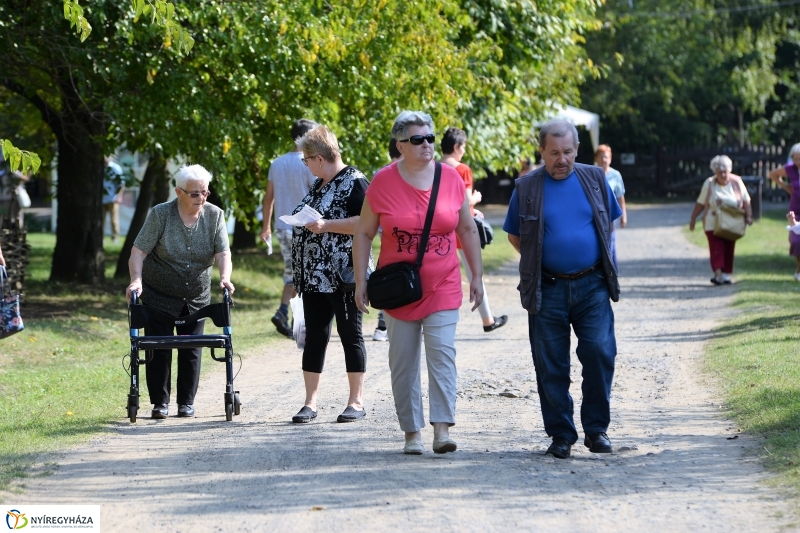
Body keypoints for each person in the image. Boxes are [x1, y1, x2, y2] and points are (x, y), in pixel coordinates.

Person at [353, 111, 484, 455]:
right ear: (400, 145)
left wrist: (477, 276)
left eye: (429, 137)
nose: (427, 144)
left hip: (443, 283)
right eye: (417, 139)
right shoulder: (382, 182)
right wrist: (359, 280)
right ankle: (412, 433)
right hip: (399, 289)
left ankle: (442, 430)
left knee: (442, 354)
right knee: (403, 361)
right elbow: (364, 233)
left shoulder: (451, 178)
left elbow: (467, 229)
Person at [504, 119, 622, 459]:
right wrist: (542, 260)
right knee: (550, 364)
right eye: (553, 153)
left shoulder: (596, 179)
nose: (561, 159)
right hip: (548, 287)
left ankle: (597, 429)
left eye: (568, 152)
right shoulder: (526, 187)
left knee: (600, 352)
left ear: (576, 151)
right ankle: (560, 434)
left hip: (592, 285)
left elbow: (607, 224)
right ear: (541, 151)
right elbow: (515, 236)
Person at [125, 164, 235, 419]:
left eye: (205, 192)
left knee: (191, 349)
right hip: (158, 294)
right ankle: (159, 404)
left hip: (196, 295)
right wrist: (136, 280)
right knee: (158, 348)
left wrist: (225, 278)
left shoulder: (215, 215)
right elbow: (138, 251)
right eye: (195, 193)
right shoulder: (160, 215)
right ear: (179, 192)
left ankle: (186, 402)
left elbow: (222, 252)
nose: (201, 198)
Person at [290, 125, 371, 424]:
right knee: (315, 339)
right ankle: (310, 403)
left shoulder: (355, 182)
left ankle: (356, 402)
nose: (306, 165)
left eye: (306, 160)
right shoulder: (319, 184)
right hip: (314, 278)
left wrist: (326, 225)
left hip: (345, 276)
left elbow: (368, 224)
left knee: (351, 336)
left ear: (319, 158)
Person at [441, 127, 507, 333]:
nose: (464, 150)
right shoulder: (462, 169)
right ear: (456, 147)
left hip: (441, 227)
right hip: (462, 227)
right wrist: (475, 200)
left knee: (440, 277)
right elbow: (465, 199)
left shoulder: (434, 167)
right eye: (464, 146)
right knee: (474, 275)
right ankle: (487, 319)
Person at [260, 119, 319, 338]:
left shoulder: (276, 163)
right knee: (302, 274)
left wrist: (266, 226)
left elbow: (268, 199)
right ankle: (293, 317)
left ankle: (289, 315)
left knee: (292, 272)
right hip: (304, 226)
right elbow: (317, 196)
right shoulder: (309, 163)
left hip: (281, 227)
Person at [689, 155, 752, 285]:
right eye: (719, 172)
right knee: (716, 247)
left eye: (725, 171)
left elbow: (746, 200)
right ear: (715, 172)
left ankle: (726, 274)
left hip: (731, 221)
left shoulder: (737, 182)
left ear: (730, 170)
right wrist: (693, 218)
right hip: (713, 220)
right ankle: (718, 274)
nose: (723, 175)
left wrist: (749, 216)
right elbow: (701, 202)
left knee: (729, 247)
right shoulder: (709, 183)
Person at [768, 143, 800, 280]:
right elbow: (772, 175)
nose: (798, 162)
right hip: (795, 211)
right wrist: (786, 187)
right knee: (796, 240)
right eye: (795, 159)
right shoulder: (790, 169)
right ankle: (799, 268)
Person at [594, 145, 627, 270]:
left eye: (606, 157)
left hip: (609, 215)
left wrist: (623, 215)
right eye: (601, 157)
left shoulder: (615, 175)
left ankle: (612, 271)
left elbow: (620, 197)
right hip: (594, 214)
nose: (604, 160)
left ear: (610, 158)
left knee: (610, 243)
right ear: (596, 158)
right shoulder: (591, 174)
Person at [103, 156, 125, 243]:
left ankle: (115, 237)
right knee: (101, 220)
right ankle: (101, 238)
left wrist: (119, 196)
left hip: (113, 198)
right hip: (101, 199)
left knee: (114, 220)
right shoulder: (99, 168)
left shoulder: (115, 168)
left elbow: (121, 184)